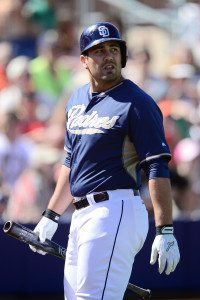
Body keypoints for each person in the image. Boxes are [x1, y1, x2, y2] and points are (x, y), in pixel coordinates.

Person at [30, 22, 180, 300]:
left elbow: (157, 166)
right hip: (81, 215)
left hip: (116, 211)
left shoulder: (137, 102)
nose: (108, 56)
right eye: (98, 51)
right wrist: (51, 215)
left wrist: (165, 229)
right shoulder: (75, 99)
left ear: (122, 56)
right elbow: (71, 162)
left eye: (114, 49)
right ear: (84, 60)